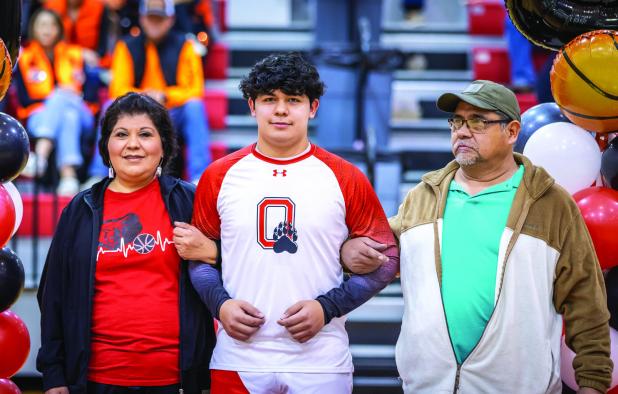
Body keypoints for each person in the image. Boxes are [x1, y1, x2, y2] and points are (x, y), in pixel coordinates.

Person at [342, 80, 613, 393]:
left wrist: (593, 383)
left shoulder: (550, 204)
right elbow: (378, 251)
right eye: (456, 121)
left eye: (478, 121)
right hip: (429, 386)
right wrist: (349, 251)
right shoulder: (424, 196)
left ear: (512, 132)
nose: (462, 130)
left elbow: (585, 302)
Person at [184, 52, 399, 394]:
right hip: (239, 357)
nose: (281, 110)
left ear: (312, 107)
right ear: (252, 106)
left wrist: (327, 307)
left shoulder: (345, 177)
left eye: (293, 100)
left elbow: (388, 262)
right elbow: (198, 257)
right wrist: (220, 304)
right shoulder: (218, 176)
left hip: (320, 360)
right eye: (270, 100)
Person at [37, 92, 216, 394]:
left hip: (177, 380)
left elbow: (240, 266)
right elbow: (53, 293)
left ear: (163, 146)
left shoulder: (189, 201)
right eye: (121, 134)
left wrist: (213, 251)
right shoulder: (81, 209)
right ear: (107, 147)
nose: (133, 144)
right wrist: (54, 375)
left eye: (145, 134)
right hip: (96, 379)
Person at [88, 0, 211, 184]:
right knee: (109, 106)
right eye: (150, 18)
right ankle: (98, 174)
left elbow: (195, 90)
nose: (154, 23)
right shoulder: (126, 45)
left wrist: (165, 95)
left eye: (159, 19)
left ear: (170, 19)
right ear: (142, 18)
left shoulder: (185, 45)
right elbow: (118, 87)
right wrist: (145, 96)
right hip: (136, 111)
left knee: (194, 107)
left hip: (171, 110)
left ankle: (199, 177)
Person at [15, 8, 98, 195]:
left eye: (52, 25)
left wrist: (70, 97)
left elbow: (92, 96)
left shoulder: (76, 55)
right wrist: (55, 97)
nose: (47, 29)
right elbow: (24, 100)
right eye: (42, 25)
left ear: (60, 29)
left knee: (64, 99)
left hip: (82, 111)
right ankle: (68, 177)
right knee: (68, 115)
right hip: (38, 115)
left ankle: (40, 156)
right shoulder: (25, 58)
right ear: (33, 28)